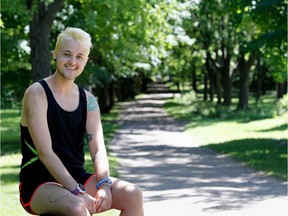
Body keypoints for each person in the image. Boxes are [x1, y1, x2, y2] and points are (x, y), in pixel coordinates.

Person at [19, 27, 144, 216]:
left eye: (79, 56)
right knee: (78, 207)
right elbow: (45, 153)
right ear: (55, 54)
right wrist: (78, 192)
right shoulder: (37, 93)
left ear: (86, 60)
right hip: (39, 183)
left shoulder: (89, 101)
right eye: (67, 54)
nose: (72, 61)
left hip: (77, 177)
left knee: (133, 194)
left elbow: (98, 149)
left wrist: (104, 184)